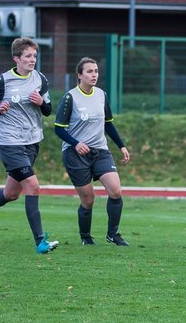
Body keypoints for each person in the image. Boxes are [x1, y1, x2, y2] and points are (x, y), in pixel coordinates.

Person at [0, 36, 59, 253]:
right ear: (16, 58)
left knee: (11, 193)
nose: (32, 60)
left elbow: (48, 110)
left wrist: (41, 102)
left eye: (34, 56)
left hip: (32, 142)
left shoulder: (41, 79)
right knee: (33, 186)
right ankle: (40, 242)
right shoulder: (3, 81)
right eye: (27, 56)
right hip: (10, 142)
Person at [55, 57, 132, 246]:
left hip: (100, 151)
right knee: (88, 199)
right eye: (89, 71)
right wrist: (75, 143)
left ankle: (112, 234)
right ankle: (86, 237)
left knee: (115, 191)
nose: (94, 74)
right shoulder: (70, 97)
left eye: (96, 71)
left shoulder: (101, 95)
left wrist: (121, 146)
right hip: (75, 154)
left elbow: (108, 124)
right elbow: (58, 128)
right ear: (79, 75)